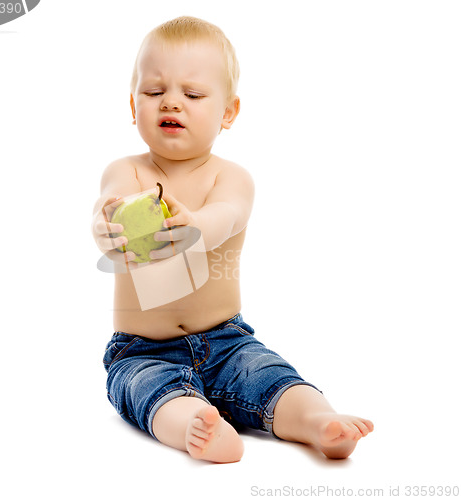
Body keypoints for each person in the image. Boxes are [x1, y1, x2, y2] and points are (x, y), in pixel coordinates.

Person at [92, 16, 373, 463]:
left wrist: (193, 226)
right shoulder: (127, 171)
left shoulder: (232, 176)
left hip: (228, 340)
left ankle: (318, 421)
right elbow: (110, 204)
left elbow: (227, 215)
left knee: (271, 376)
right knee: (145, 389)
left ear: (228, 112)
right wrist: (107, 227)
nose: (172, 103)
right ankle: (193, 425)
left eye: (193, 94)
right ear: (132, 104)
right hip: (142, 348)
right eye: (153, 92)